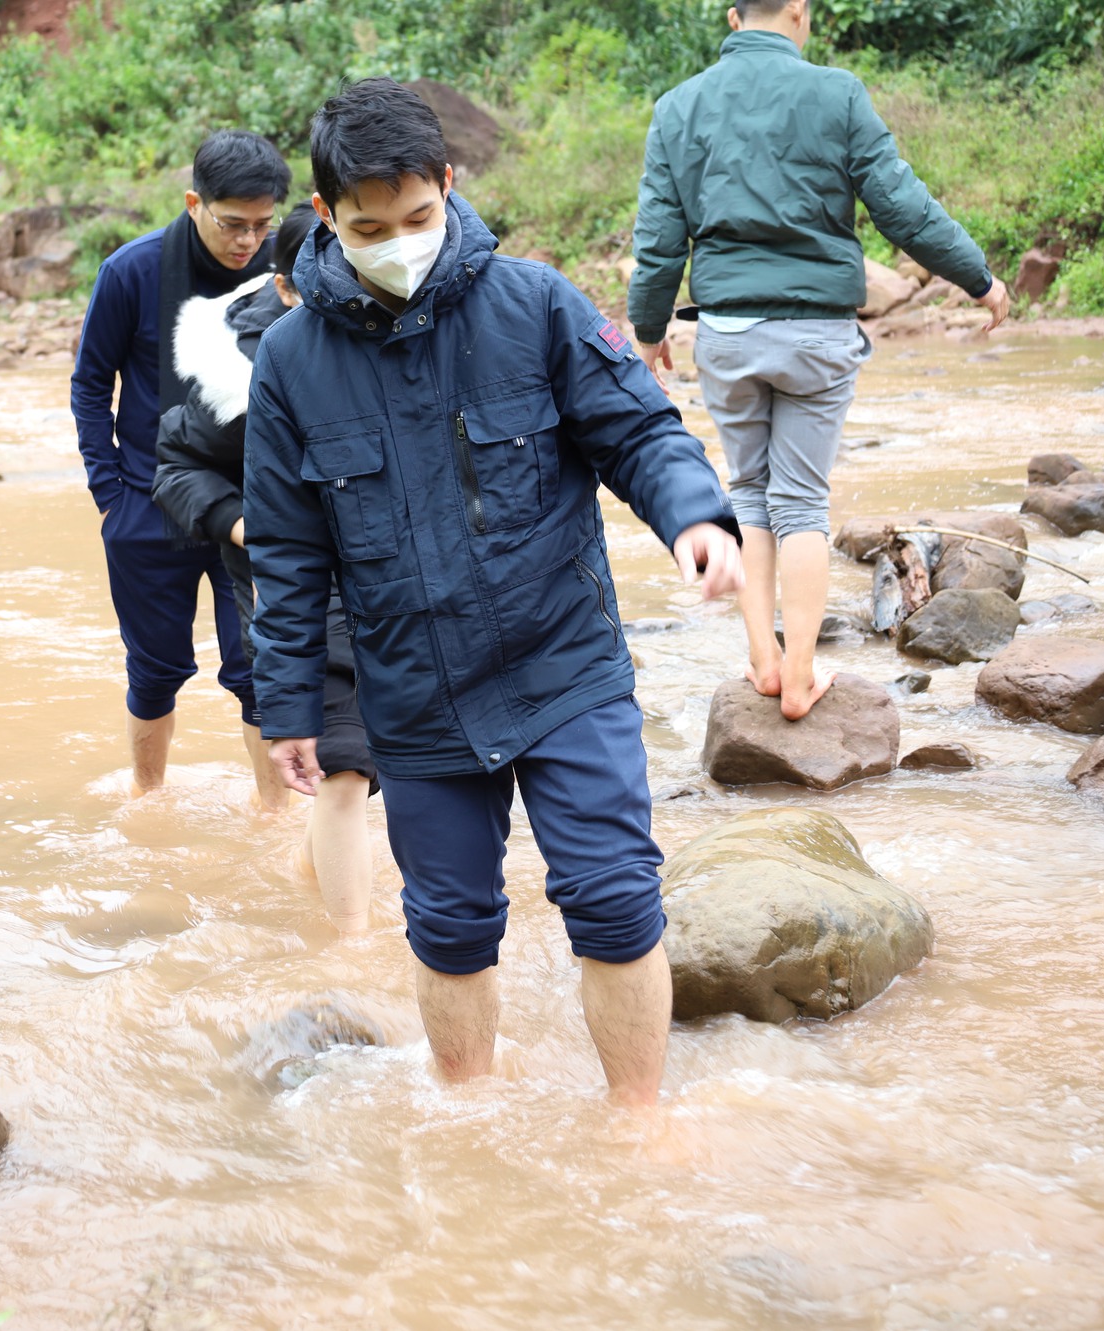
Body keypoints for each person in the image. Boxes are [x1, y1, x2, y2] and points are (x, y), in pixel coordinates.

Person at [243, 79, 744, 1105]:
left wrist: (694, 515)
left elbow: (637, 429)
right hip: (414, 695)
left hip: (562, 663)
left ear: (449, 187)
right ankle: (466, 1118)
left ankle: (638, 1124)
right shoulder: (291, 363)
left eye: (418, 217)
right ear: (326, 216)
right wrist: (286, 704)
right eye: (370, 226)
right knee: (451, 926)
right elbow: (289, 554)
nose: (400, 241)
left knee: (611, 899)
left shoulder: (535, 304)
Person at [630, 0, 1010, 720]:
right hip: (816, 333)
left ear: (733, 16)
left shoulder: (679, 107)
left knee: (748, 494)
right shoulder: (837, 93)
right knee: (801, 501)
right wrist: (979, 278)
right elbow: (903, 208)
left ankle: (763, 662)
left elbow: (659, 241)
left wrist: (649, 332)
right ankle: (802, 675)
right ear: (799, 12)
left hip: (728, 333)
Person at [151, 204, 377, 933]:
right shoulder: (238, 376)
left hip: (381, 568)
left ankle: (309, 867)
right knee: (343, 759)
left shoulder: (394, 329)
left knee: (381, 753)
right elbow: (175, 465)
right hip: (288, 577)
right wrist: (241, 522)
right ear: (285, 287)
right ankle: (351, 948)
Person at [71, 130, 292, 797]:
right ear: (195, 202)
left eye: (262, 225)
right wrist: (109, 491)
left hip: (253, 508)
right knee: (154, 668)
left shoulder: (284, 275)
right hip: (147, 502)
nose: (247, 241)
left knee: (263, 667)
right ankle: (148, 798)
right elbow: (89, 383)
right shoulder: (131, 272)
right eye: (232, 224)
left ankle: (272, 818)